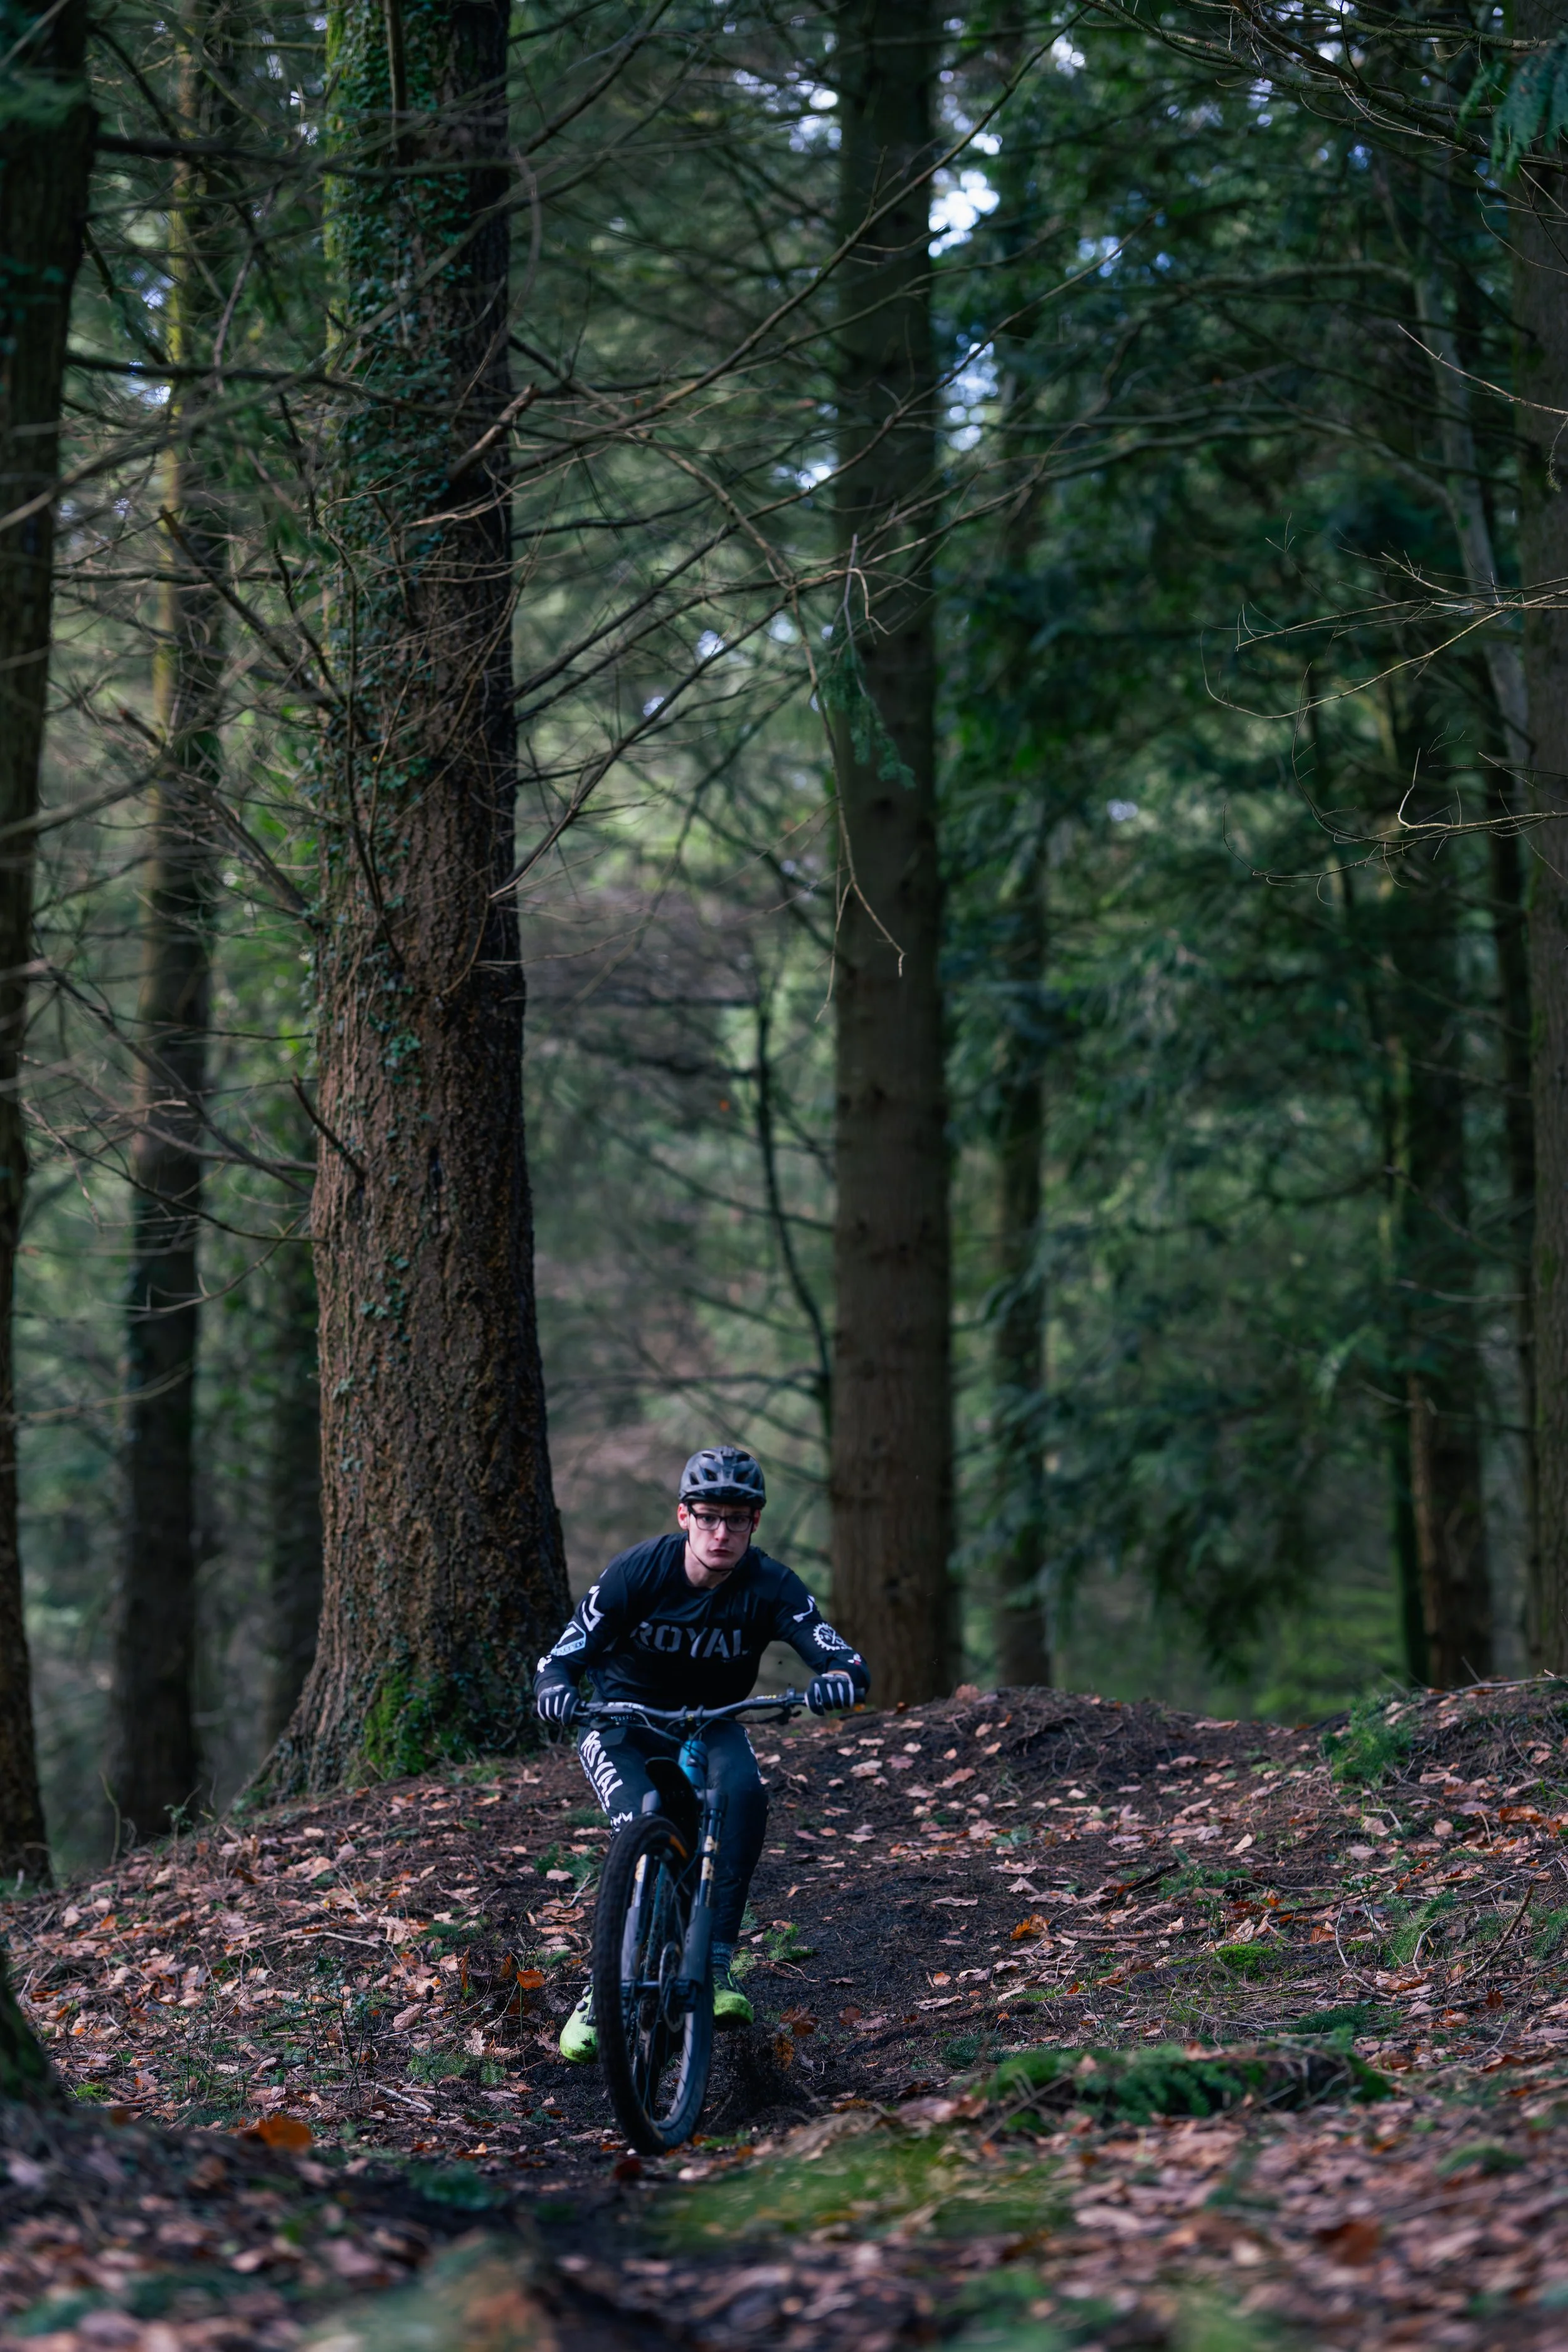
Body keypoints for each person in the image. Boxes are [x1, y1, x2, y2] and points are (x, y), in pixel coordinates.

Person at [533, 1445, 870, 2065]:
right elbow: (563, 1656)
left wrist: (839, 1677)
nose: (721, 1532)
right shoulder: (638, 1572)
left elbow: (837, 1653)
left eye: (736, 1520)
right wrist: (555, 1688)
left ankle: (715, 1966)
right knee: (642, 1830)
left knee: (742, 1793)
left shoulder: (771, 1585)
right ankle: (600, 1991)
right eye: (709, 1516)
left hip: (710, 1721)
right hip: (622, 1723)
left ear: (754, 1524)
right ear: (684, 1516)